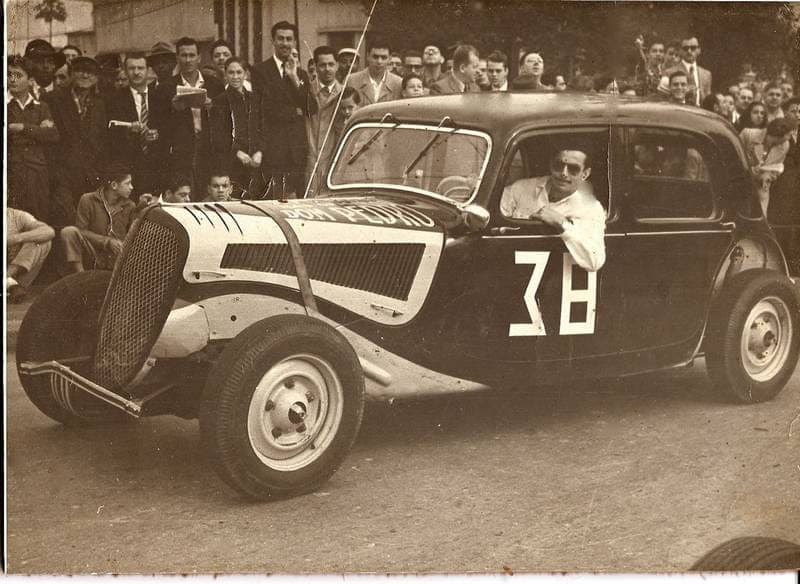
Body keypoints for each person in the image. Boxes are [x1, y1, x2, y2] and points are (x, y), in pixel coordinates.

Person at [500, 149, 606, 272]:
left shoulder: (591, 208)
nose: (564, 173)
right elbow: (493, 217)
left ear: (585, 174)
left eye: (573, 169)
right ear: (551, 165)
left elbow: (594, 262)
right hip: (509, 267)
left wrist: (562, 223)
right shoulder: (521, 188)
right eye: (559, 166)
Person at [250, 21, 316, 199]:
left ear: (294, 42)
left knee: (298, 200)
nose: (285, 43)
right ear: (273, 40)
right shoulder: (259, 71)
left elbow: (311, 107)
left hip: (297, 149)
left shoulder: (301, 74)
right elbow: (266, 108)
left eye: (289, 39)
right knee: (273, 199)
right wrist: (295, 111)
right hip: (273, 148)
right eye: (281, 38)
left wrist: (294, 78)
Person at [155, 36, 225, 199]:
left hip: (209, 148)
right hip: (181, 150)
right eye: (184, 55)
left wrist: (212, 106)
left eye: (192, 55)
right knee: (185, 193)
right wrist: (173, 109)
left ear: (199, 58)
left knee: (209, 194)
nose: (188, 60)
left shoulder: (214, 84)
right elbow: (158, 125)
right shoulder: (166, 88)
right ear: (177, 58)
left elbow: (227, 119)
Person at [46, 55, 109, 208]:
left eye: (90, 72)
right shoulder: (54, 99)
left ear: (96, 77)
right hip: (63, 174)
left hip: (92, 175)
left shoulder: (100, 103)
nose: (85, 75)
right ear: (72, 73)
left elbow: (102, 139)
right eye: (80, 70)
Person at [60, 164, 144, 273]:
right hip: (93, 255)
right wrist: (106, 242)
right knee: (68, 232)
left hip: (117, 258)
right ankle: (81, 276)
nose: (131, 187)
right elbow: (81, 231)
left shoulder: (130, 205)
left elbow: (134, 235)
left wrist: (142, 208)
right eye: (127, 183)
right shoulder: (88, 200)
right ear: (114, 185)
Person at [107, 53, 169, 200]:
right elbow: (109, 133)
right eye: (132, 68)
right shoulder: (114, 99)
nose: (136, 72)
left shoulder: (161, 97)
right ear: (125, 70)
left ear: (148, 70)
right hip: (130, 165)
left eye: (140, 68)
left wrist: (158, 135)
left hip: (157, 165)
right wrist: (128, 131)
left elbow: (170, 130)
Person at [8, 55, 60, 223]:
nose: (12, 79)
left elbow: (53, 135)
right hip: (11, 174)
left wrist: (23, 128)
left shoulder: (41, 107)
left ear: (30, 80)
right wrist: (38, 131)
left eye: (18, 75)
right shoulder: (7, 105)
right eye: (8, 74)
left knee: (39, 221)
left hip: (38, 175)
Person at [211, 56, 264, 195]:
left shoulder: (255, 99)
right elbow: (218, 135)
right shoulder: (219, 101)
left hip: (255, 161)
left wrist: (259, 151)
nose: (235, 77)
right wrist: (237, 152)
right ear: (225, 74)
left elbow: (262, 128)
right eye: (231, 72)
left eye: (239, 72)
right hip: (231, 162)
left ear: (245, 74)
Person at [740, 117, 797, 216]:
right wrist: (753, 171)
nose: (790, 138)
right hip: (741, 183)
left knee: (762, 214)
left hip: (762, 186)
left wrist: (768, 176)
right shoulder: (748, 134)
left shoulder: (785, 145)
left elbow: (777, 167)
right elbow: (733, 160)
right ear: (779, 133)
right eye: (789, 135)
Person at [305, 46, 343, 193]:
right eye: (322, 65)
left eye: (331, 64)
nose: (327, 69)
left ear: (337, 65)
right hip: (309, 158)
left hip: (333, 158)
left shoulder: (345, 93)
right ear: (315, 66)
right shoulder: (306, 91)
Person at [7, 208, 55, 302]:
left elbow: (48, 231)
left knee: (42, 241)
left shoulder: (17, 215)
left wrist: (15, 238)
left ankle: (9, 281)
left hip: (13, 270)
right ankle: (9, 285)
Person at [770, 97, 800, 224]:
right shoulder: (777, 131)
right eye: (794, 111)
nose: (798, 115)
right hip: (783, 183)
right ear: (785, 112)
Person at [659, 36, 712, 107]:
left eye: (693, 48)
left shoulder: (706, 74)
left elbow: (708, 100)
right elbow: (664, 100)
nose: (689, 51)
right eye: (685, 48)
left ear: (699, 50)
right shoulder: (669, 72)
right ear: (680, 51)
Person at [347, 38, 402, 105]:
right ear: (368, 56)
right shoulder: (352, 80)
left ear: (390, 59)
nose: (379, 61)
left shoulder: (398, 83)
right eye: (375, 57)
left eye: (383, 57)